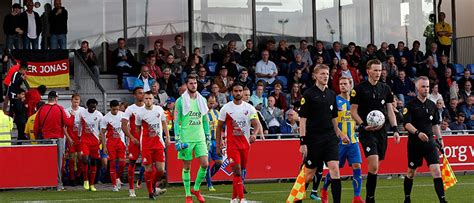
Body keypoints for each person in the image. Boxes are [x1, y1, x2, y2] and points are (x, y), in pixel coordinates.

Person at [350, 59, 400, 203]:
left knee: (375, 168)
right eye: (375, 70)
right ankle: (370, 199)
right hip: (367, 131)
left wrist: (395, 129)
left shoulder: (385, 88)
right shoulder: (359, 89)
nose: (378, 73)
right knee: (374, 164)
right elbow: (353, 111)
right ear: (368, 71)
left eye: (380, 70)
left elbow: (390, 110)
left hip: (382, 132)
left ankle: (369, 196)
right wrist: (363, 125)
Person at [295, 64, 346, 203]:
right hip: (314, 139)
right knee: (309, 174)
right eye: (322, 74)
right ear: (315, 76)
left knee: (335, 169)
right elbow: (302, 120)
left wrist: (340, 134)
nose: (325, 76)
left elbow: (334, 118)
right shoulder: (308, 94)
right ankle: (296, 199)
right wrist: (303, 142)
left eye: (327, 74)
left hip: (330, 138)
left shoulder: (331, 94)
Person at [402, 76, 447, 203]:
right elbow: (407, 124)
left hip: (430, 145)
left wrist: (440, 139)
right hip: (415, 144)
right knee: (411, 173)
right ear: (417, 88)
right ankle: (407, 198)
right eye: (423, 86)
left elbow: (435, 125)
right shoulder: (410, 105)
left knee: (437, 171)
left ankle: (443, 200)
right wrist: (417, 133)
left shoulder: (432, 105)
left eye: (427, 86)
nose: (426, 89)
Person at [320, 76, 364, 203]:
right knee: (335, 169)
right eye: (340, 84)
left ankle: (357, 197)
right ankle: (324, 189)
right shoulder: (335, 101)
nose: (343, 86)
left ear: (351, 85)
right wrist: (340, 134)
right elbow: (330, 120)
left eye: (345, 83)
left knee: (357, 165)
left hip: (353, 140)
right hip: (338, 142)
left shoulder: (356, 103)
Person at [216, 82, 260, 202]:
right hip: (232, 145)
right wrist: (218, 144)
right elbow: (219, 127)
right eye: (236, 91)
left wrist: (254, 135)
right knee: (237, 171)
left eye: (240, 91)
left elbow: (256, 124)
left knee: (242, 171)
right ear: (232, 93)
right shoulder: (226, 108)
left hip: (245, 145)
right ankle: (242, 198)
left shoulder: (249, 108)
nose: (238, 93)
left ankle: (233, 198)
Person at [173, 75, 211, 203]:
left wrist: (207, 135)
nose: (193, 85)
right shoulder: (180, 101)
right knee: (187, 166)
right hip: (186, 138)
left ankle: (196, 189)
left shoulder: (202, 100)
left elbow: (205, 120)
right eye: (191, 83)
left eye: (195, 83)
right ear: (186, 85)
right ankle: (188, 195)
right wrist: (177, 138)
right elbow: (176, 120)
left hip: (199, 137)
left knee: (205, 164)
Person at [135, 91, 170, 200]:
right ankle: (150, 192)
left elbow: (164, 123)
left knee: (161, 170)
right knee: (148, 170)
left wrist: (167, 137)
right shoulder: (140, 113)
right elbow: (137, 128)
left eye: (150, 98)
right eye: (146, 98)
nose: (148, 101)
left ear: (153, 99)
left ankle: (153, 187)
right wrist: (139, 140)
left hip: (159, 144)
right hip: (146, 145)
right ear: (143, 99)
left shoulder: (159, 110)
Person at [33, 91, 70, 191]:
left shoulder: (41, 109)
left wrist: (37, 138)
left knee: (46, 162)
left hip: (46, 138)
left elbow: (36, 126)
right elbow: (67, 123)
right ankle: (58, 185)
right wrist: (73, 116)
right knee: (58, 162)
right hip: (58, 138)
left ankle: (45, 184)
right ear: (56, 98)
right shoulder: (59, 108)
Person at [121, 87, 144, 197]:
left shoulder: (149, 108)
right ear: (135, 95)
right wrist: (131, 137)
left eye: (143, 93)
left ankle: (142, 182)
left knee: (149, 164)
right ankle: (131, 189)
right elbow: (124, 125)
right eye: (139, 93)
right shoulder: (130, 109)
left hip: (146, 141)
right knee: (132, 163)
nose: (142, 95)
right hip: (134, 141)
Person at [99, 100, 126, 192]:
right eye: (114, 109)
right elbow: (102, 133)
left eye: (117, 109)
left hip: (121, 143)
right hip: (110, 143)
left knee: (123, 163)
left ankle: (118, 178)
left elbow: (127, 128)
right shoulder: (105, 118)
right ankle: (114, 185)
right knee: (113, 164)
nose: (115, 111)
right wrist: (104, 146)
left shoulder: (123, 115)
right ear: (110, 108)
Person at [77, 99, 103, 192]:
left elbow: (102, 128)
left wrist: (101, 138)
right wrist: (79, 136)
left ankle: (92, 184)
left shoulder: (99, 115)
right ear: (87, 106)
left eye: (94, 107)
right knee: (85, 159)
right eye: (91, 107)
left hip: (95, 141)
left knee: (94, 162)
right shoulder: (82, 113)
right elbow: (79, 125)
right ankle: (85, 180)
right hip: (84, 140)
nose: (93, 108)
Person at [65, 93, 85, 186]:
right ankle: (72, 178)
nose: (76, 103)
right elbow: (64, 127)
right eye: (74, 101)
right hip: (71, 138)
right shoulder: (66, 111)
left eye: (78, 101)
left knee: (81, 157)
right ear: (71, 100)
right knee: (72, 158)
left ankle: (79, 176)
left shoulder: (83, 110)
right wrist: (68, 138)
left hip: (80, 138)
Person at [205, 95, 223, 191]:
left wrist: (222, 140)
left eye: (213, 103)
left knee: (219, 162)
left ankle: (208, 177)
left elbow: (220, 128)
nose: (212, 105)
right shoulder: (203, 114)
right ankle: (209, 184)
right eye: (210, 103)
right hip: (206, 142)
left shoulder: (217, 113)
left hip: (216, 141)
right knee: (206, 164)